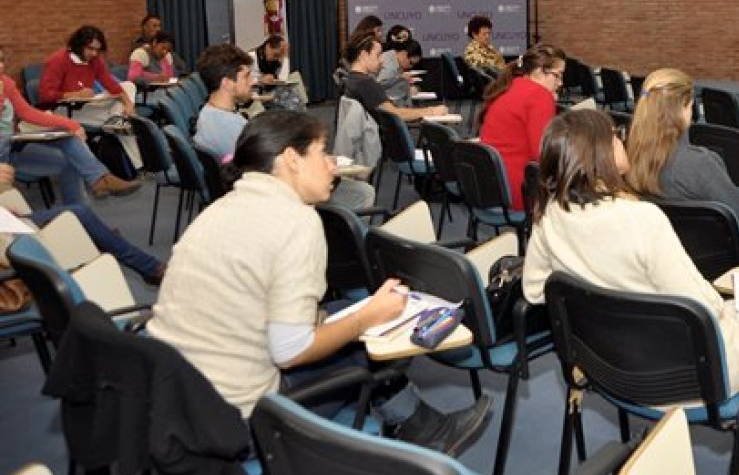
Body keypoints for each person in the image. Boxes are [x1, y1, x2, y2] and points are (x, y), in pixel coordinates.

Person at [149, 110, 492, 454]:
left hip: (179, 403)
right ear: (291, 160)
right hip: (241, 418)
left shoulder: (222, 209)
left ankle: (414, 422)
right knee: (369, 337)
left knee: (344, 311)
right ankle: (423, 428)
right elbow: (290, 351)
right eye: (323, 153)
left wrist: (355, 316)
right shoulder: (296, 221)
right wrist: (366, 319)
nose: (332, 165)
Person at [522, 109, 739, 395]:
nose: (622, 140)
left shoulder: (550, 216)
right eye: (615, 136)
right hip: (684, 377)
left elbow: (535, 291)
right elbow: (704, 306)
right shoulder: (642, 219)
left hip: (608, 366)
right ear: (602, 153)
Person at [194, 44, 374, 211]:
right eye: (246, 76)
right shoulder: (228, 126)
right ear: (227, 83)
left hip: (251, 194)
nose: (252, 82)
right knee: (362, 192)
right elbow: (268, 171)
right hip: (270, 200)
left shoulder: (209, 115)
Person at [624, 68, 739, 241]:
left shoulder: (629, 155)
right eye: (690, 106)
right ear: (682, 109)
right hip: (716, 259)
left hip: (667, 252)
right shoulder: (698, 163)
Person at [1, 49, 139, 202]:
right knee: (72, 155)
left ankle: (97, 183)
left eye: (1, 60)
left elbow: (27, 113)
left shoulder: (6, 82)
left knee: (70, 144)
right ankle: (96, 186)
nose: (0, 66)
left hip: (13, 147)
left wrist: (71, 124)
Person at [0, 158, 165, 285]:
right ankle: (147, 266)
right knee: (80, 215)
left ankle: (141, 262)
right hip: (6, 233)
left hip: (7, 222)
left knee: (70, 153)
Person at [479, 43, 565, 211]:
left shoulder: (509, 86)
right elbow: (542, 155)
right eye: (558, 75)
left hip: (491, 184)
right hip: (520, 190)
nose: (560, 83)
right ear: (540, 71)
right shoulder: (539, 97)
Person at [342, 33, 449, 123]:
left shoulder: (353, 79)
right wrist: (431, 111)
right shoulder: (366, 83)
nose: (382, 60)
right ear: (363, 55)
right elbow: (395, 114)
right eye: (378, 55)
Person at [251, 35, 308, 111]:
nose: (276, 58)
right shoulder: (251, 57)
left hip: (271, 91)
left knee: (293, 94)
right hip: (257, 93)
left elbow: (283, 79)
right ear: (268, 47)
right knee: (289, 98)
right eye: (275, 55)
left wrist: (285, 56)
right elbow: (245, 81)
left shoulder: (275, 61)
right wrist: (260, 80)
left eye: (279, 56)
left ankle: (298, 117)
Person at [376, 38, 423, 106]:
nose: (410, 67)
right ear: (404, 54)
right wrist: (400, 77)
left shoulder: (393, 58)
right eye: (411, 63)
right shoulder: (390, 66)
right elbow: (377, 85)